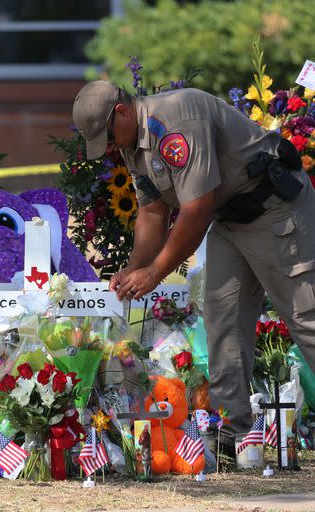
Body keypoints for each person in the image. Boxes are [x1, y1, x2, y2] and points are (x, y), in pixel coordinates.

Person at [72, 80, 315, 453]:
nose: (110, 146)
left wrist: (155, 273)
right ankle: (235, 433)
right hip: (231, 218)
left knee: (305, 318)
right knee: (222, 319)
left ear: (121, 111)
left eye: (107, 136)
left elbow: (196, 209)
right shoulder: (132, 141)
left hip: (273, 209)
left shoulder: (177, 119)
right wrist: (133, 268)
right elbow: (153, 212)